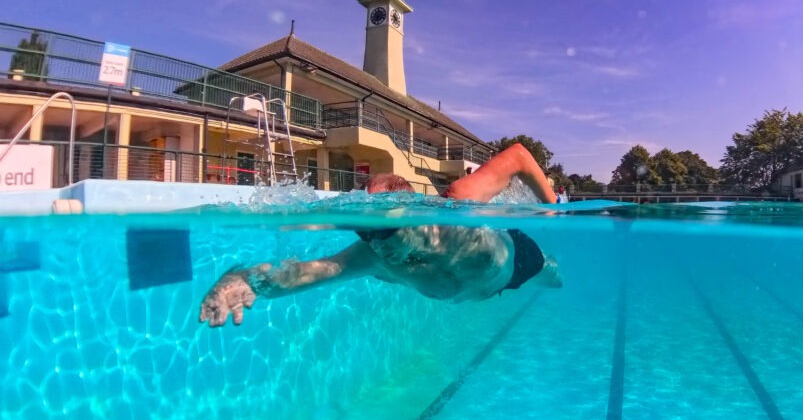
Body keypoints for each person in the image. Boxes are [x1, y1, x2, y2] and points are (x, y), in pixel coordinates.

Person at [198, 143, 561, 328]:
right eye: (365, 233)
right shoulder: (370, 253)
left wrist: (551, 208)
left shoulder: (457, 203)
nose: (379, 248)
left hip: (520, 261)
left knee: (553, 278)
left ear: (412, 217)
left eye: (384, 234)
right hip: (484, 288)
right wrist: (245, 280)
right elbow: (306, 273)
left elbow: (517, 156)